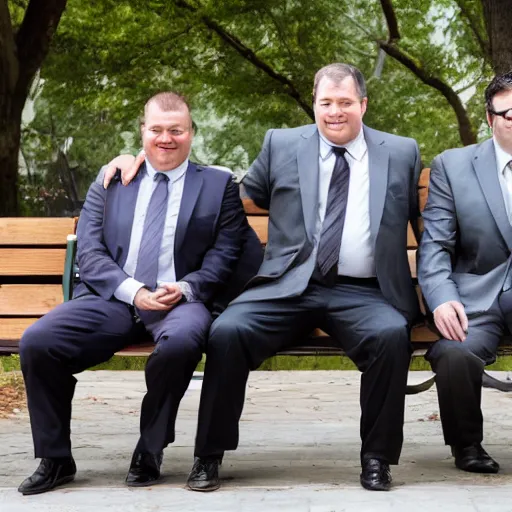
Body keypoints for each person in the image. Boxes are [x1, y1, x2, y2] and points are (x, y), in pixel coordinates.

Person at [185, 62, 423, 492]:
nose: (336, 112)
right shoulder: (282, 143)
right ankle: (208, 455)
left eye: (346, 102)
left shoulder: (402, 151)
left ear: (363, 105)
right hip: (288, 284)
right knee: (227, 332)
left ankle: (377, 459)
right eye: (326, 102)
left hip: (363, 290)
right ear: (314, 104)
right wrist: (148, 161)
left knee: (391, 336)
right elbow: (236, 196)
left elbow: (424, 222)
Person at [17, 91, 260, 495]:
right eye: (156, 130)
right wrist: (133, 292)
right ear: (142, 131)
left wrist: (185, 287)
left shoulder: (218, 185)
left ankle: (150, 448)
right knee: (39, 342)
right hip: (113, 298)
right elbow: (91, 251)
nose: (166, 138)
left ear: (191, 133)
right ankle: (55, 457)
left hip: (179, 299)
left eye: (176, 130)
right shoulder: (112, 180)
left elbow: (226, 252)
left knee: (182, 342)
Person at [418, 71, 512, 474]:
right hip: (479, 295)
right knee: (456, 352)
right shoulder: (453, 167)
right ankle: (467, 445)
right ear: (490, 118)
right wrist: (442, 297)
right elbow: (435, 245)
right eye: (510, 113)